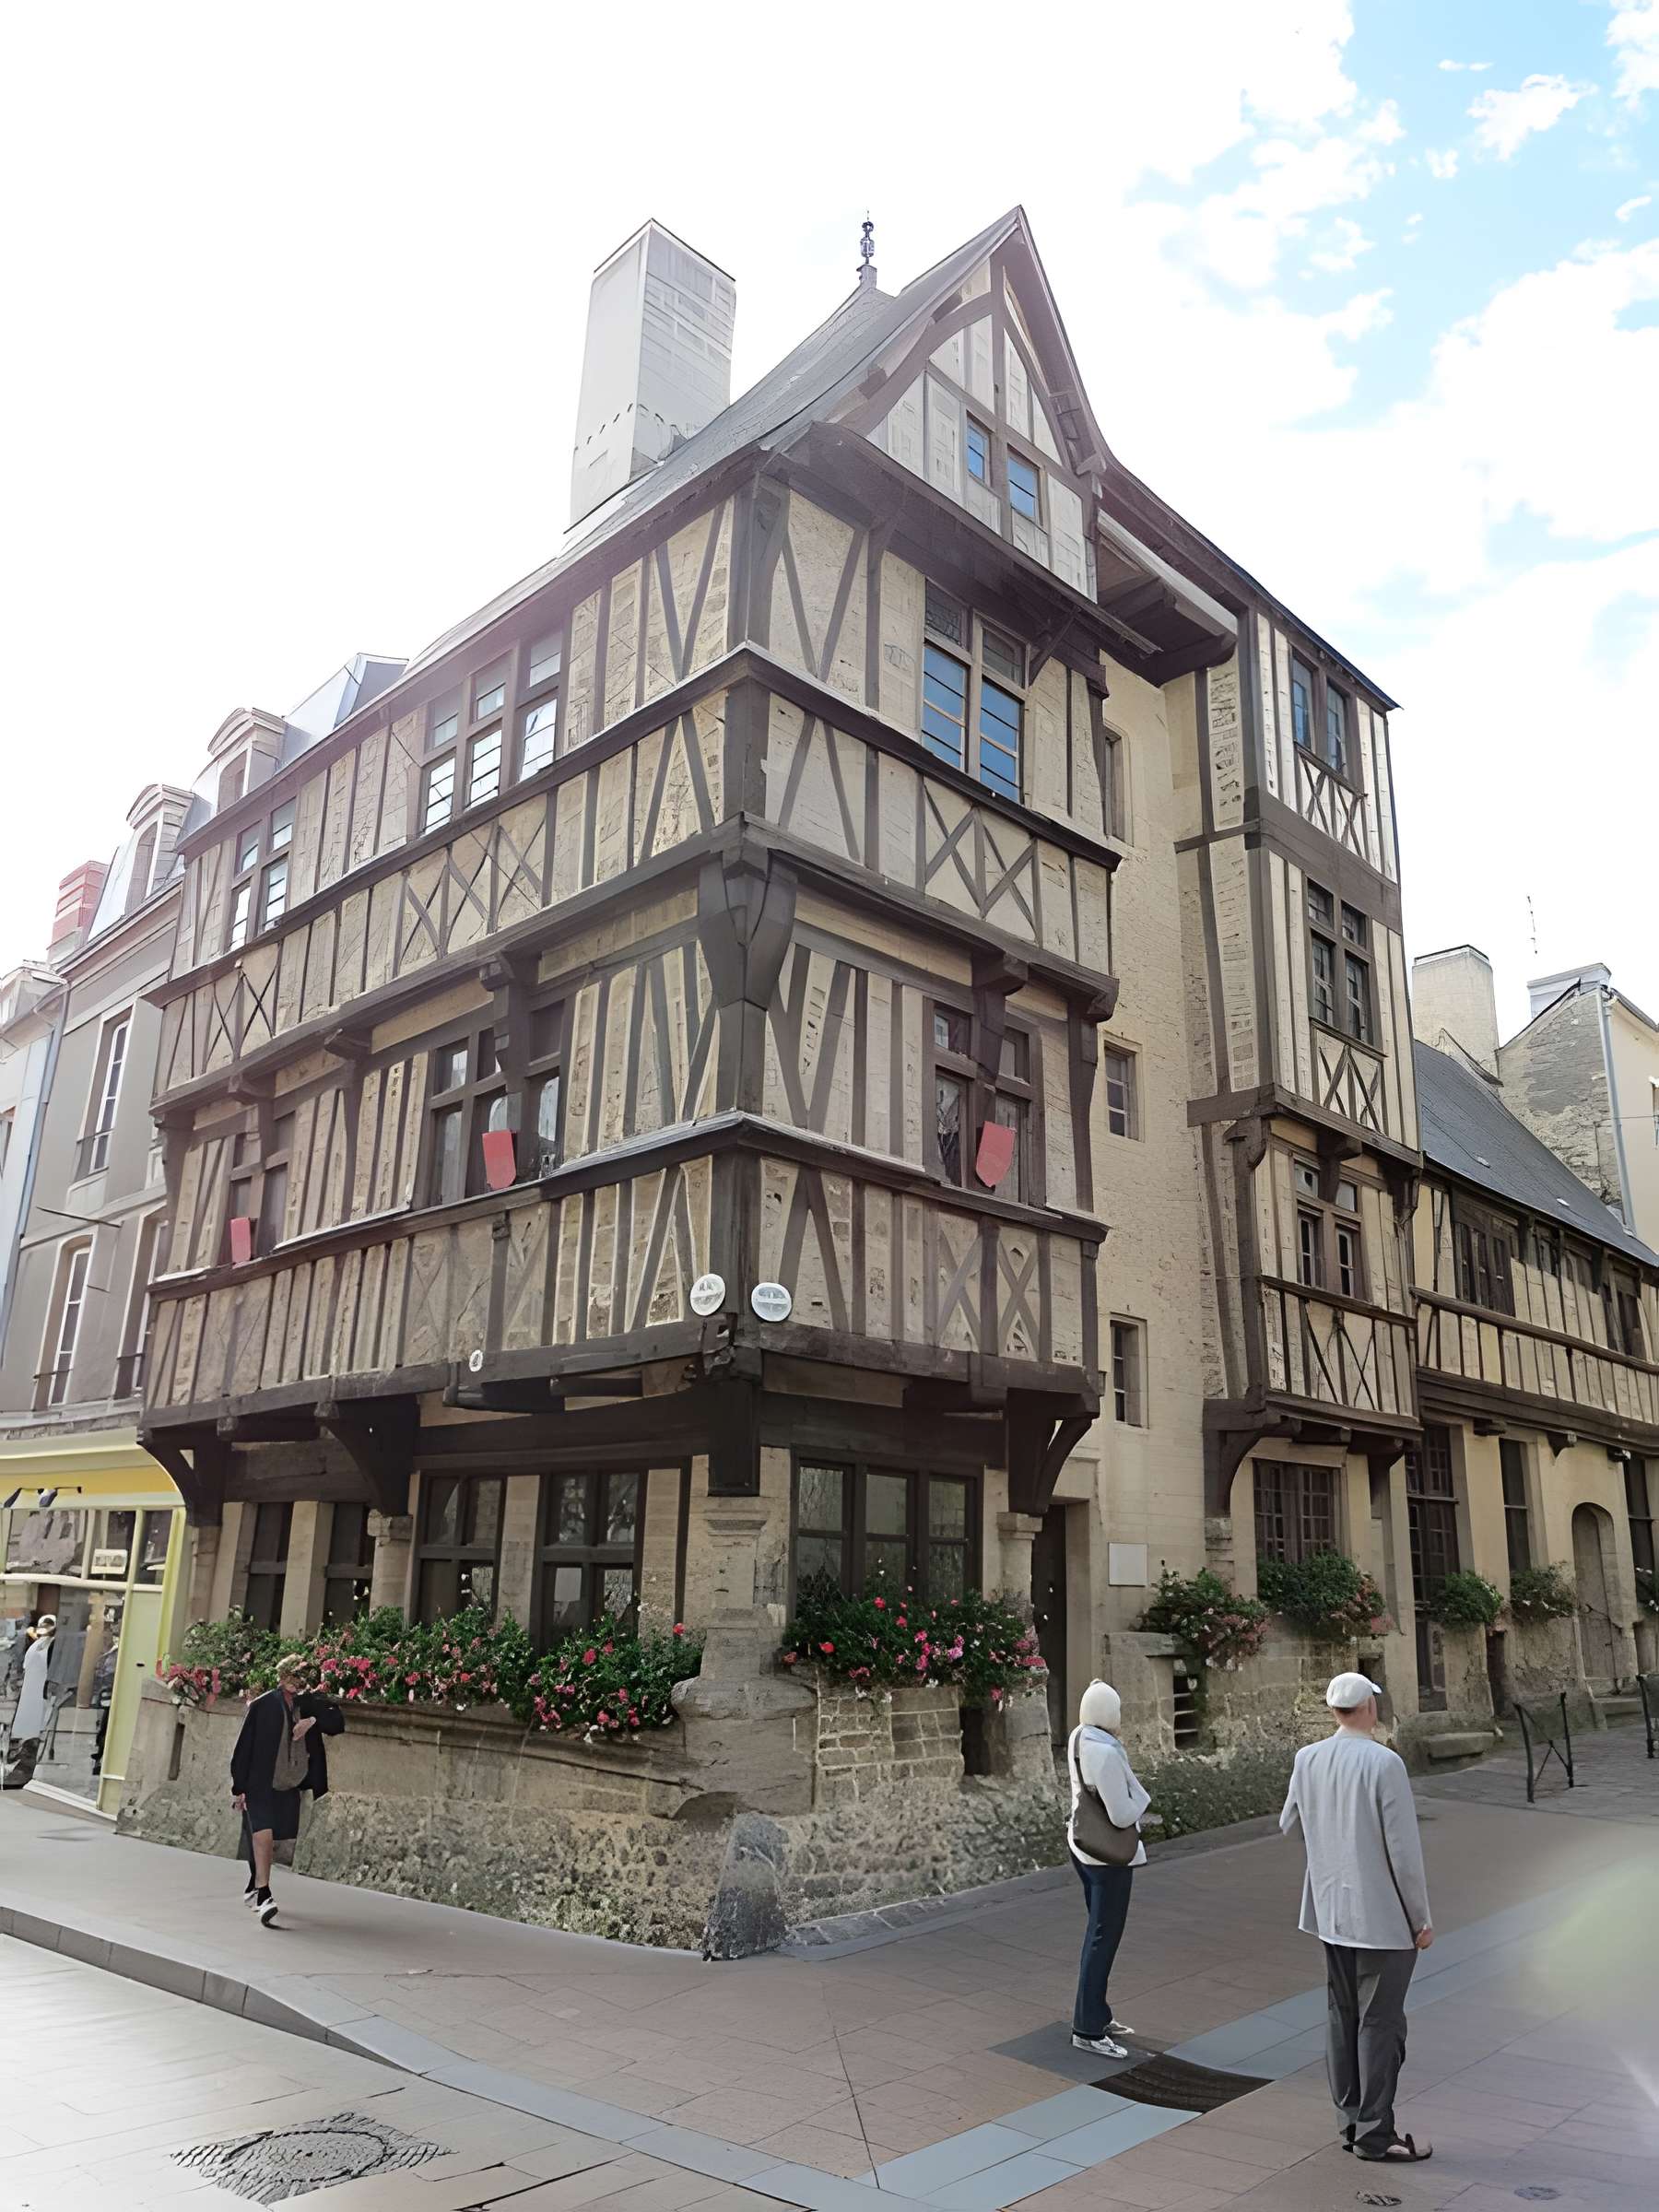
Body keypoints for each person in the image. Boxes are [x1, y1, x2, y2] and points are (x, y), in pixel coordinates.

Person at [1280, 1671, 1434, 2166]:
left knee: (1340, 2016)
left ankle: (1348, 2121)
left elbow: (1290, 1824)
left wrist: (1333, 1844)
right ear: (1370, 1706)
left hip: (1329, 1911)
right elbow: (1403, 1853)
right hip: (1382, 1915)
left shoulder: (1308, 1759)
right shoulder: (1384, 1763)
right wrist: (1421, 1918)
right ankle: (1376, 2134)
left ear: (1332, 1711)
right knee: (1380, 2023)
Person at [1066, 1678, 1150, 2059]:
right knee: (1103, 1939)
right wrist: (1143, 1800)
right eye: (1116, 1709)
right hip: (1108, 1857)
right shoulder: (1107, 1753)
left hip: (1082, 1848)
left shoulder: (1078, 1737)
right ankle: (1087, 2028)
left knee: (1097, 1935)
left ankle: (1096, 2014)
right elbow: (1121, 1814)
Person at [229, 1654, 343, 1925]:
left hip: (289, 1783)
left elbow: (338, 1723)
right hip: (259, 1781)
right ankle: (264, 1896)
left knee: (275, 1838)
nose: (294, 1683)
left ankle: (255, 1884)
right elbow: (243, 1747)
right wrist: (239, 1788)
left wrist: (311, 1722)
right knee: (263, 1836)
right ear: (281, 1678)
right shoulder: (263, 1705)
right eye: (290, 1677)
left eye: (298, 1678)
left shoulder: (308, 1704)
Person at [3, 1614, 56, 1791]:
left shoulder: (51, 1645)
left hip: (40, 1691)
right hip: (29, 1689)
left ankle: (25, 1765)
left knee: (32, 1726)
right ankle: (19, 1761)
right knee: (23, 1725)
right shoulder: (39, 1643)